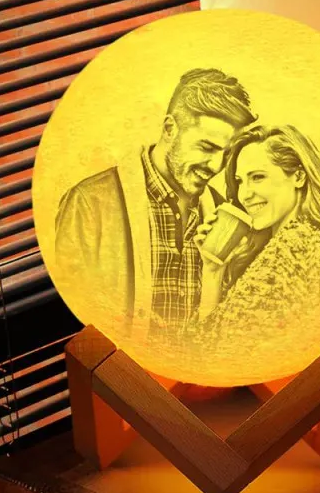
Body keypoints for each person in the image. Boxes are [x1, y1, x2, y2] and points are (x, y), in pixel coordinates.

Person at [54, 68, 257, 341]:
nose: (216, 166)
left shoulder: (222, 214)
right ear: (170, 129)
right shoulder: (90, 204)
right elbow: (73, 325)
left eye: (227, 153)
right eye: (207, 147)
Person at [190, 124, 320, 359]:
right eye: (240, 181)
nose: (245, 194)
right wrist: (213, 272)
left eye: (257, 177)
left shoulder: (292, 249)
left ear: (298, 177)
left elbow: (212, 356)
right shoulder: (304, 243)